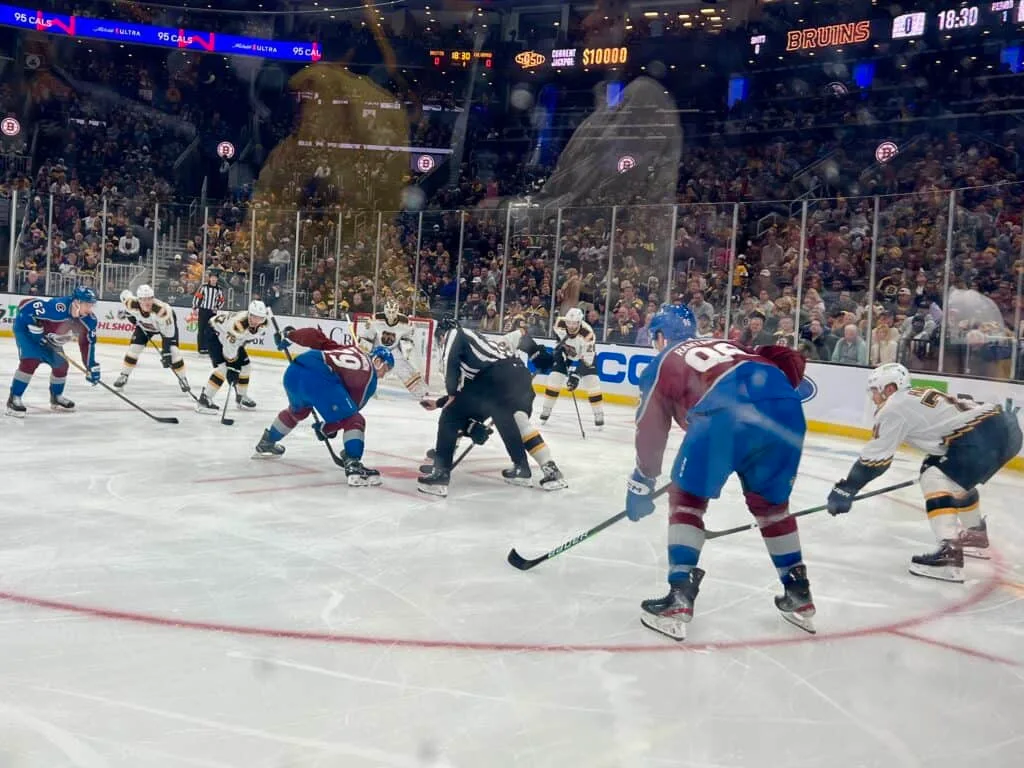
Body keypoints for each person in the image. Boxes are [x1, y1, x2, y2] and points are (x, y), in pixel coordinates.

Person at [625, 304, 814, 641]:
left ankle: (679, 598)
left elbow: (650, 429)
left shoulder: (661, 361)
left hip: (726, 413)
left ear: (659, 336)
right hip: (787, 409)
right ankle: (799, 594)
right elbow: (787, 365)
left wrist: (643, 480)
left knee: (686, 500)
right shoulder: (727, 344)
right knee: (772, 508)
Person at [827, 362, 1022, 582]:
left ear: (889, 388)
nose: (873, 397)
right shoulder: (914, 395)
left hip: (983, 436)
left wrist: (847, 488)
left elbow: (875, 460)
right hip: (1003, 427)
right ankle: (975, 535)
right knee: (949, 475)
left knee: (934, 476)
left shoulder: (894, 407)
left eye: (875, 390)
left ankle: (949, 556)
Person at [418, 316, 566, 497]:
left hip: (495, 379)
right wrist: (537, 354)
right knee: (515, 420)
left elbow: (456, 386)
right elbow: (521, 336)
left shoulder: (455, 333)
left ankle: (440, 473)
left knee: (451, 416)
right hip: (519, 376)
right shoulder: (484, 346)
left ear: (441, 335)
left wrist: (451, 398)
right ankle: (534, 470)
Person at [254, 326, 393, 486]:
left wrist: (291, 336)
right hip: (318, 377)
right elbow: (348, 415)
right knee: (355, 420)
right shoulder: (371, 379)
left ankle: (267, 442)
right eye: (386, 368)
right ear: (377, 361)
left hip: (294, 371)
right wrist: (327, 428)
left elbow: (317, 337)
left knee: (297, 412)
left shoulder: (350, 349)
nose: (384, 374)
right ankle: (353, 465)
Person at [6, 286, 100, 416]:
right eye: (87, 305)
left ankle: (56, 397)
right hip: (27, 332)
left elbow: (87, 344)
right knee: (31, 360)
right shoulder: (58, 307)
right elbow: (24, 305)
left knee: (61, 365)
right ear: (77, 302)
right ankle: (14, 399)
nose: (90, 309)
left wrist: (91, 366)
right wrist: (35, 328)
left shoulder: (89, 321)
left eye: (92, 305)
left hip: (49, 338)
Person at [196, 300, 270, 413]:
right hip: (214, 333)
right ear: (249, 314)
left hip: (233, 338)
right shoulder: (238, 326)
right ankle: (205, 398)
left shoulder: (264, 323)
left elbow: (241, 340)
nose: (256, 321)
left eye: (260, 318)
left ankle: (241, 396)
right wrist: (232, 367)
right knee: (224, 368)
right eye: (254, 317)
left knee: (246, 367)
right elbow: (229, 350)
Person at [114, 284, 191, 393]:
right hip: (145, 326)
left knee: (174, 352)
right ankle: (124, 375)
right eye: (144, 299)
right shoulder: (131, 304)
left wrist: (166, 353)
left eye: (150, 298)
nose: (147, 302)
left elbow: (167, 335)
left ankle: (183, 378)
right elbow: (124, 295)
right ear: (139, 300)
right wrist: (127, 315)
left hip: (165, 327)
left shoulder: (162, 311)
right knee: (134, 349)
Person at [541, 307, 604, 429]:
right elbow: (559, 337)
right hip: (567, 353)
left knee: (592, 381)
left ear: (580, 322)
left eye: (574, 324)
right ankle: (546, 409)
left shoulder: (587, 334)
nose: (570, 326)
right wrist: (560, 350)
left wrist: (576, 376)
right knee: (555, 378)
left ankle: (598, 413)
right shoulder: (559, 323)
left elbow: (588, 360)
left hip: (584, 356)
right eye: (569, 323)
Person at [357, 298, 424, 395]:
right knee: (371, 367)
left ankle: (420, 392)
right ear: (384, 310)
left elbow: (408, 339)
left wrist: (406, 350)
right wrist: (365, 350)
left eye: (393, 311)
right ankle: (365, 387)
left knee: (404, 368)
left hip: (393, 350)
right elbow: (367, 337)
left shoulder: (405, 323)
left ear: (397, 311)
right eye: (389, 311)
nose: (391, 314)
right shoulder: (376, 319)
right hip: (377, 348)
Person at [192, 272, 225, 355]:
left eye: (215, 278)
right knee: (201, 329)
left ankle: (207, 347)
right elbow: (197, 296)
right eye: (212, 277)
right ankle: (201, 348)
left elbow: (221, 300)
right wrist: (195, 307)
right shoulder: (204, 287)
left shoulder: (219, 289)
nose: (213, 279)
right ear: (209, 278)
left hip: (212, 312)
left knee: (209, 331)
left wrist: (217, 307)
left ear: (217, 279)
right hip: (203, 310)